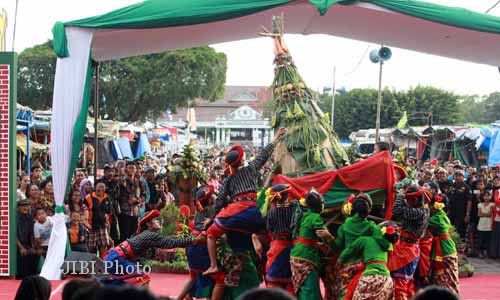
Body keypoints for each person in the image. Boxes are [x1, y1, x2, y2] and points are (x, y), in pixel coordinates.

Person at [203, 127, 287, 276]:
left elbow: (220, 201)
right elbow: (264, 154)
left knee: (210, 234)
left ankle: (213, 265)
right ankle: (259, 247)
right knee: (266, 234)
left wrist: (211, 218)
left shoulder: (228, 180)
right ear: (241, 160)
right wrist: (276, 137)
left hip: (236, 212)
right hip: (253, 212)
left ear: (229, 165)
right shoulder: (251, 169)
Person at [103, 210, 199, 286]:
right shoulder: (150, 235)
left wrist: (189, 240)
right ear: (149, 224)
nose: (159, 221)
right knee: (143, 278)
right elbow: (170, 243)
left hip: (113, 258)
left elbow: (169, 240)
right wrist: (193, 240)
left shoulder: (145, 235)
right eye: (155, 219)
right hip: (116, 259)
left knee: (119, 283)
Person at [317, 193, 381, 300]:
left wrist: (328, 238)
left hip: (347, 267)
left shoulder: (345, 226)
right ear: (369, 209)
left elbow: (337, 247)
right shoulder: (372, 227)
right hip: (365, 267)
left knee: (346, 294)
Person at [178, 185, 223, 300]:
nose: (214, 195)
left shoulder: (200, 211)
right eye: (211, 195)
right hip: (201, 247)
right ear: (209, 200)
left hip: (192, 247)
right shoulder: (213, 210)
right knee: (219, 279)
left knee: (193, 277)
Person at [339, 221, 399, 300]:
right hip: (387, 280)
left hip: (370, 278)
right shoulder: (389, 246)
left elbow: (346, 254)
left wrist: (341, 260)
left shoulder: (364, 240)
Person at [388, 186, 430, 300]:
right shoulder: (422, 209)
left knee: (400, 283)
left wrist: (401, 195)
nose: (407, 202)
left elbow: (396, 210)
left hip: (407, 251)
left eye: (409, 200)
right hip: (409, 248)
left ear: (415, 200)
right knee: (408, 282)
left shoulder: (419, 212)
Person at [289, 189, 325, 300]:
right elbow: (324, 235)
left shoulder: (304, 216)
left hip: (296, 254)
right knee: (310, 289)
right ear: (319, 205)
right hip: (307, 255)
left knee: (302, 287)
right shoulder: (316, 218)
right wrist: (331, 240)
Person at [264, 184, 295, 294]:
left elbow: (269, 229)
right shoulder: (294, 209)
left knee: (274, 279)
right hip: (292, 246)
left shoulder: (271, 212)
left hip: (276, 246)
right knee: (291, 281)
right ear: (286, 195)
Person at [428, 194, 459, 296]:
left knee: (447, 278)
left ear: (433, 206)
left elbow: (422, 223)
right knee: (446, 277)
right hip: (445, 246)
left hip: (444, 249)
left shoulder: (437, 218)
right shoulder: (441, 215)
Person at [118, 161, 144, 242]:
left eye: (133, 168)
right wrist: (128, 200)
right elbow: (119, 195)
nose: (132, 170)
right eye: (130, 168)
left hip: (136, 212)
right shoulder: (122, 181)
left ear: (136, 169)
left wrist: (138, 200)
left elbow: (143, 195)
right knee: (124, 236)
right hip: (125, 211)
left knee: (134, 235)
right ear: (126, 169)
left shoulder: (139, 182)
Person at [85, 182, 112, 256]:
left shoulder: (107, 197)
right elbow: (84, 211)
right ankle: (92, 264)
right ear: (95, 187)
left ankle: (101, 263)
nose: (100, 189)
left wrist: (107, 222)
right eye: (99, 186)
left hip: (103, 226)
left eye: (103, 187)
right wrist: (86, 224)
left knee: (103, 245)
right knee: (91, 248)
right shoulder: (88, 197)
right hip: (91, 226)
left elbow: (109, 211)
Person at [16, 199, 39, 279]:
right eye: (23, 206)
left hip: (27, 244)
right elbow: (13, 235)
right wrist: (21, 248)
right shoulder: (15, 218)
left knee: (35, 253)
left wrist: (33, 247)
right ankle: (21, 277)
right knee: (22, 255)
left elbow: (31, 234)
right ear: (18, 207)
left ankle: (32, 277)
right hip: (17, 244)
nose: (26, 207)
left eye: (27, 205)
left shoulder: (29, 217)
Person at [447, 170, 471, 239]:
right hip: (451, 213)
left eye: (460, 175)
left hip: (461, 214)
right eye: (456, 175)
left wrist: (467, 214)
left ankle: (461, 248)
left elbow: (469, 202)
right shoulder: (451, 186)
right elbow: (449, 198)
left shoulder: (467, 188)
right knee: (451, 231)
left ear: (463, 177)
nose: (457, 177)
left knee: (461, 233)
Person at [477, 190, 494, 258]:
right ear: (483, 197)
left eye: (488, 196)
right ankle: (480, 252)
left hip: (489, 225)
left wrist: (483, 214)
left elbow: (490, 214)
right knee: (481, 240)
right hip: (481, 225)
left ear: (490, 196)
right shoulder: (480, 204)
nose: (486, 197)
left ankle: (487, 252)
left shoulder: (492, 204)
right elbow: (479, 214)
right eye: (485, 196)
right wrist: (486, 214)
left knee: (488, 240)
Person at [489, 188, 500, 258]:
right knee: (496, 237)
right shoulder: (497, 191)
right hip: (497, 218)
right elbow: (496, 201)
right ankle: (495, 254)